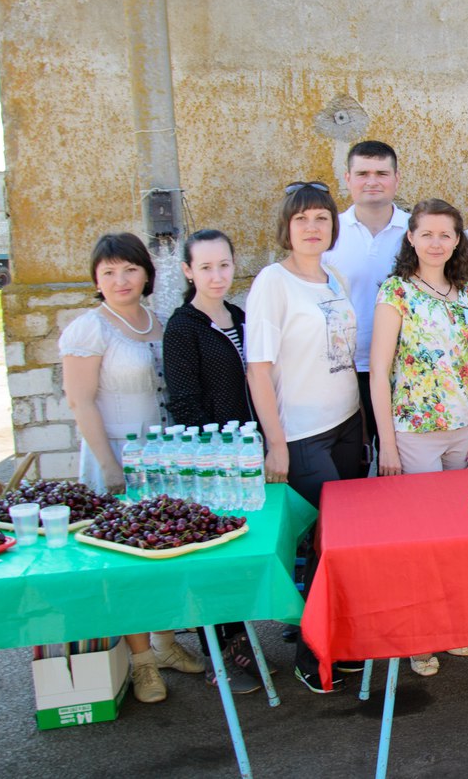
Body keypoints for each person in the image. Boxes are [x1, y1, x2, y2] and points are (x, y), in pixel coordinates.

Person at [61, 233, 204, 704]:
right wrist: (109, 465)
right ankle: (141, 661)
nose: (120, 280)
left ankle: (165, 644)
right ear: (96, 280)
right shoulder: (89, 329)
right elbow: (80, 402)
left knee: (165, 550)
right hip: (118, 455)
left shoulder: (159, 322)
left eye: (129, 269)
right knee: (127, 561)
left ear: (146, 273)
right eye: (108, 272)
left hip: (162, 455)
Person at [245, 181, 363, 693]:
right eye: (301, 219)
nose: (312, 227)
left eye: (321, 218)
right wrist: (276, 443)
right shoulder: (273, 282)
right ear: (286, 228)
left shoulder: (335, 277)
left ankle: (342, 638)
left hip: (347, 423)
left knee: (343, 541)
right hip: (303, 435)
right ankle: (312, 655)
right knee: (324, 544)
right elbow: (258, 369)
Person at [368, 199, 468, 677]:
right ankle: (421, 635)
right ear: (411, 238)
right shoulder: (395, 292)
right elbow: (379, 372)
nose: (436, 243)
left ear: (457, 240)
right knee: (421, 541)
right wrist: (388, 444)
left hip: (464, 432)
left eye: (445, 234)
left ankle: (455, 624)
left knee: (459, 537)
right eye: (427, 234)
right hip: (414, 433)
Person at [163, 229, 260, 694]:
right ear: (188, 271)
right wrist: (215, 457)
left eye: (223, 265)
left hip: (248, 454)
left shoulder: (239, 317)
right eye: (205, 267)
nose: (217, 275)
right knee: (211, 557)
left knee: (238, 554)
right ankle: (217, 655)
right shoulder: (183, 327)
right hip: (213, 463)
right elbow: (184, 402)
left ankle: (241, 641)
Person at [322, 140, 408, 468]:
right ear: (347, 178)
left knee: (399, 467)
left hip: (403, 371)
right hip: (345, 371)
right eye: (363, 173)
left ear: (397, 179)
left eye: (381, 173)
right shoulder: (328, 232)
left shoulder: (416, 231)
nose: (372, 181)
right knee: (353, 468)